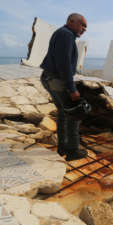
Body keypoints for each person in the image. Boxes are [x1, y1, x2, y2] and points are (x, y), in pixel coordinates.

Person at [40, 13, 88, 160]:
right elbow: (64, 63)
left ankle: (62, 148)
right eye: (82, 25)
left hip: (50, 78)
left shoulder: (63, 34)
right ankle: (72, 151)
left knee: (63, 113)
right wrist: (72, 88)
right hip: (57, 80)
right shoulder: (66, 35)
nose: (84, 29)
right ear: (71, 22)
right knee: (74, 115)